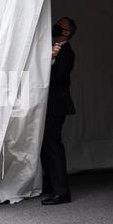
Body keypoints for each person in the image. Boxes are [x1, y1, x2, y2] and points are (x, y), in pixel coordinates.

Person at [41, 17, 77, 206]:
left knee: (53, 147)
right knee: (46, 146)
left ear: (67, 33)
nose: (54, 25)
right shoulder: (52, 47)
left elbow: (56, 77)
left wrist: (52, 58)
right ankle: (51, 185)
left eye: (59, 25)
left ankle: (61, 191)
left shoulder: (67, 53)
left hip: (57, 106)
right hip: (48, 105)